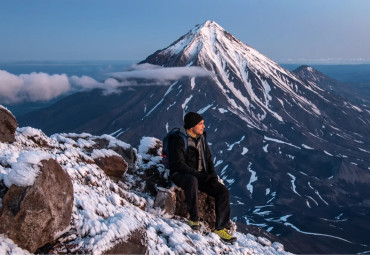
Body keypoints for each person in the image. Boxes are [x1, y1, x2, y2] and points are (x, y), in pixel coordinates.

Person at [169, 112, 237, 243]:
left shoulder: (201, 140)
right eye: (200, 124)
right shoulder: (179, 139)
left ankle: (221, 228)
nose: (204, 126)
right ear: (192, 126)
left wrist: (212, 176)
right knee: (192, 180)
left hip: (199, 176)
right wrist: (199, 175)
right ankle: (194, 219)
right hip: (180, 175)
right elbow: (178, 164)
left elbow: (209, 160)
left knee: (222, 191)